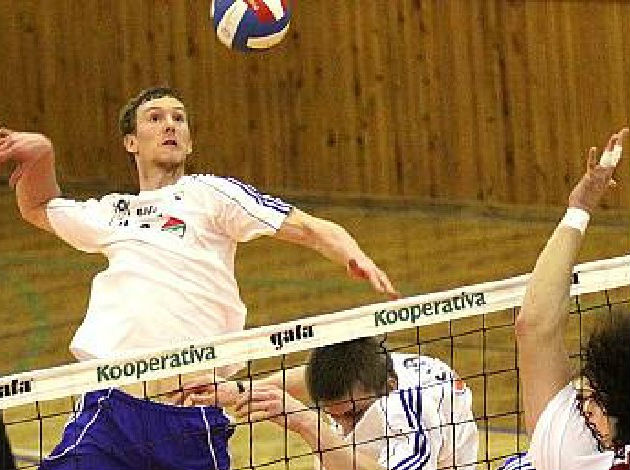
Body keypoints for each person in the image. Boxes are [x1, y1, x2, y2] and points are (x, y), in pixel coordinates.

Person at [0, 86, 398, 470]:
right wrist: (42, 156)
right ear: (131, 142)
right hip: (113, 406)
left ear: (189, 143)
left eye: (179, 118)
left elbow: (306, 226)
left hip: (191, 415)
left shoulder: (211, 194)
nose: (169, 125)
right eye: (155, 118)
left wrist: (352, 253)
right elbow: (38, 206)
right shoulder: (112, 212)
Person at [515, 127, 630, 470]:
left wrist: (579, 210)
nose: (585, 405)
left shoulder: (573, 453)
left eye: (597, 399)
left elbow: (534, 326)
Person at [189, 337, 478, 470]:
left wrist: (307, 423)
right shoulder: (367, 372)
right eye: (334, 415)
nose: (345, 427)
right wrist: (239, 389)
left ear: (390, 387)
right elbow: (309, 377)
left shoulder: (411, 408)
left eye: (353, 414)